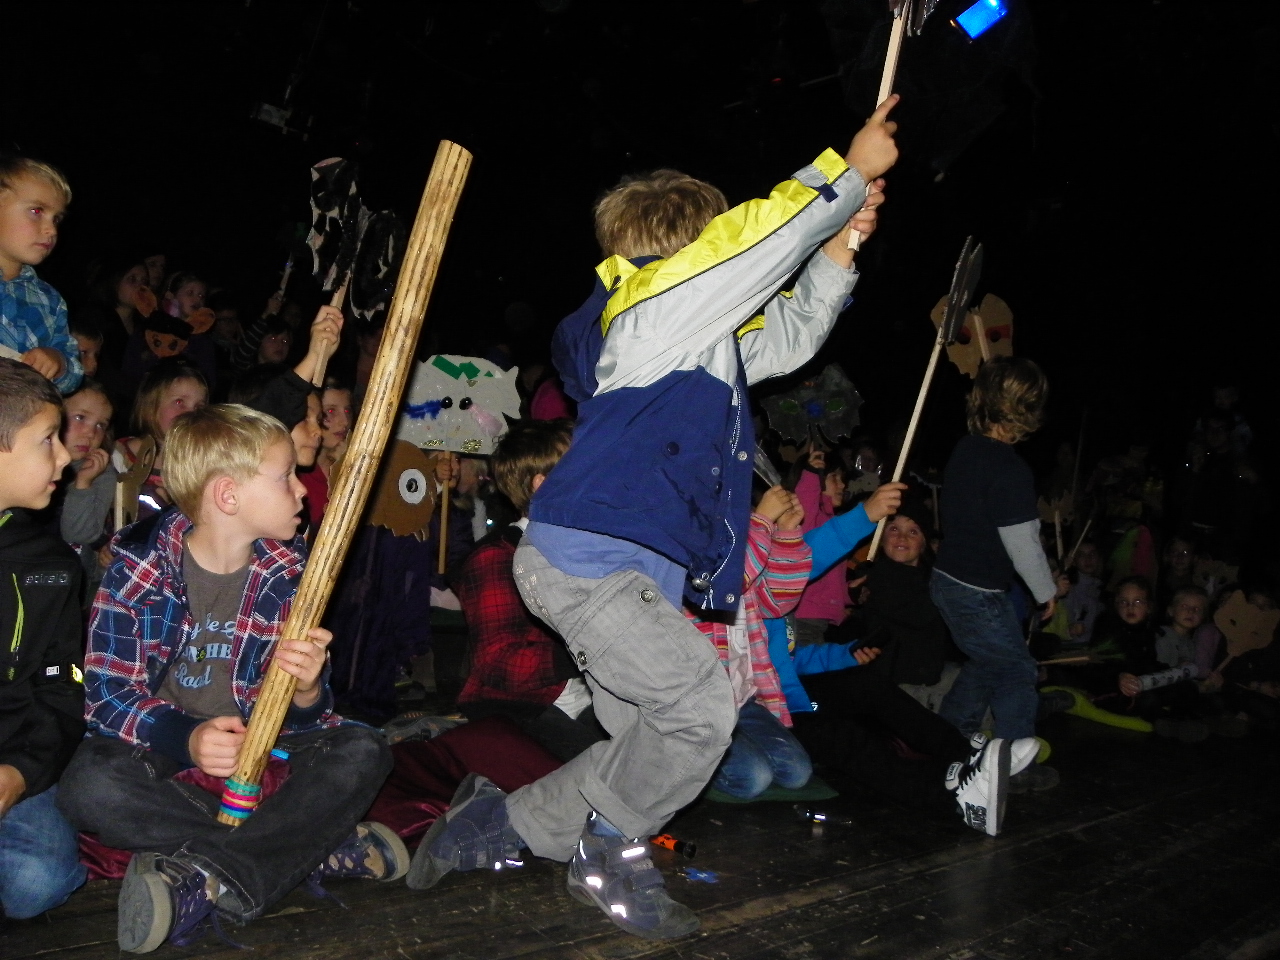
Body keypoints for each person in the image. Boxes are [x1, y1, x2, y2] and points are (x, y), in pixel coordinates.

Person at [409, 98, 901, 940]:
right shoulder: (648, 314)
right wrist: (844, 177)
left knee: (647, 739)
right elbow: (750, 250)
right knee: (700, 708)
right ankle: (608, 851)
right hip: (589, 560)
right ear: (687, 247)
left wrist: (839, 248)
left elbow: (787, 338)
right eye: (712, 247)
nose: (726, 265)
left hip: (620, 571)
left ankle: (499, 823)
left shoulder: (692, 341)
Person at [56, 404, 406, 952]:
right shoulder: (138, 567)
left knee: (364, 748)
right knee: (89, 784)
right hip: (163, 741)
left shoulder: (290, 573)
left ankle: (215, 870)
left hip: (264, 737)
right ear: (228, 496)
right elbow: (106, 694)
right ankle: (298, 850)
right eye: (285, 476)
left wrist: (308, 690)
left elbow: (306, 714)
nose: (302, 490)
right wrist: (186, 737)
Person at [761, 480, 1038, 831]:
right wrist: (864, 514)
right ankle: (954, 798)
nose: (797, 546)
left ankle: (970, 756)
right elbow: (814, 554)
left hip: (791, 690)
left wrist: (844, 656)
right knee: (838, 735)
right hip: (761, 705)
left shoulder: (778, 602)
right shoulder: (750, 587)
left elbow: (789, 660)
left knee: (865, 684)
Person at [932, 356, 1060, 791]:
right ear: (1029, 409)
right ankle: (1014, 763)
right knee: (1017, 670)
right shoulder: (1010, 469)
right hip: (976, 591)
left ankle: (948, 739)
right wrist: (1045, 591)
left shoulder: (965, 450)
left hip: (948, 580)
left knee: (989, 662)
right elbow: (1022, 543)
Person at [451, 420, 605, 762]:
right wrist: (591, 649)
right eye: (581, 469)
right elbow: (497, 663)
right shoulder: (497, 557)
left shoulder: (589, 551)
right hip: (521, 709)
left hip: (586, 703)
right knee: (608, 772)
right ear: (542, 485)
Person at [0, 359, 87, 919]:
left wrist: (20, 772)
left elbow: (63, 681)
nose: (64, 457)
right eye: (48, 439)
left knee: (37, 881)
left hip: (15, 757)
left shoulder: (50, 565)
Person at [689, 483, 813, 801]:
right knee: (754, 778)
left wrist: (787, 534)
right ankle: (679, 763)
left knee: (797, 773)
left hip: (742, 701)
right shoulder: (688, 552)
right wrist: (762, 522)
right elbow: (721, 586)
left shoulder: (744, 553)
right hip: (698, 707)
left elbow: (778, 602)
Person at [0, 156, 82, 394]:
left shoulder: (49, 300)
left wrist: (57, 361)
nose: (51, 229)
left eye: (56, 219)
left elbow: (74, 370)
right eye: (36, 211)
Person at [114, 358, 209, 521]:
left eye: (198, 407)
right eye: (179, 402)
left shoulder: (201, 464)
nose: (191, 414)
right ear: (151, 405)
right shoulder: (118, 457)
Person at [58, 380, 117, 599]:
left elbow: (79, 535)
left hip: (75, 585)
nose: (91, 433)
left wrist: (83, 483)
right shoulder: (33, 462)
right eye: (80, 417)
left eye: (100, 425)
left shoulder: (101, 474)